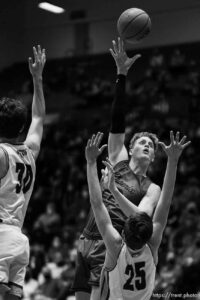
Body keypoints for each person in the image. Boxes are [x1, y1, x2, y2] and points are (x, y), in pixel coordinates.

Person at [72, 38, 161, 300]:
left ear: (154, 157)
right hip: (87, 237)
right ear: (130, 148)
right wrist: (121, 75)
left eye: (151, 146)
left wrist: (112, 190)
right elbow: (118, 120)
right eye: (142, 142)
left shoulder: (152, 188)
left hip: (112, 245)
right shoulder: (118, 158)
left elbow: (141, 217)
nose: (147, 146)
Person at [85, 131, 190, 300]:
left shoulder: (116, 246)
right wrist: (173, 161)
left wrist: (91, 163)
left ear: (123, 234)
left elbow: (97, 203)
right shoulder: (152, 244)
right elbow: (166, 202)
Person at [0, 45, 46, 299]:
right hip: (18, 239)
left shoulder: (1, 154)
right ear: (21, 128)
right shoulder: (30, 151)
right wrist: (37, 79)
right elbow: (38, 117)